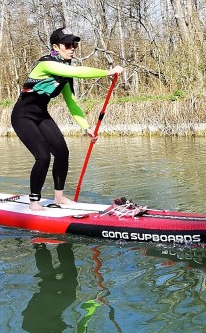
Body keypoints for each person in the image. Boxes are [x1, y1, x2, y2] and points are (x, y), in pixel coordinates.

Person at [11, 28, 123, 210]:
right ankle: (34, 202)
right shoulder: (46, 64)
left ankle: (60, 197)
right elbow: (79, 72)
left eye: (74, 44)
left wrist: (86, 127)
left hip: (41, 115)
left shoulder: (64, 73)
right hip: (22, 116)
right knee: (43, 157)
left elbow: (71, 103)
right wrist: (107, 72)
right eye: (68, 44)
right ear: (56, 47)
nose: (72, 48)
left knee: (62, 153)